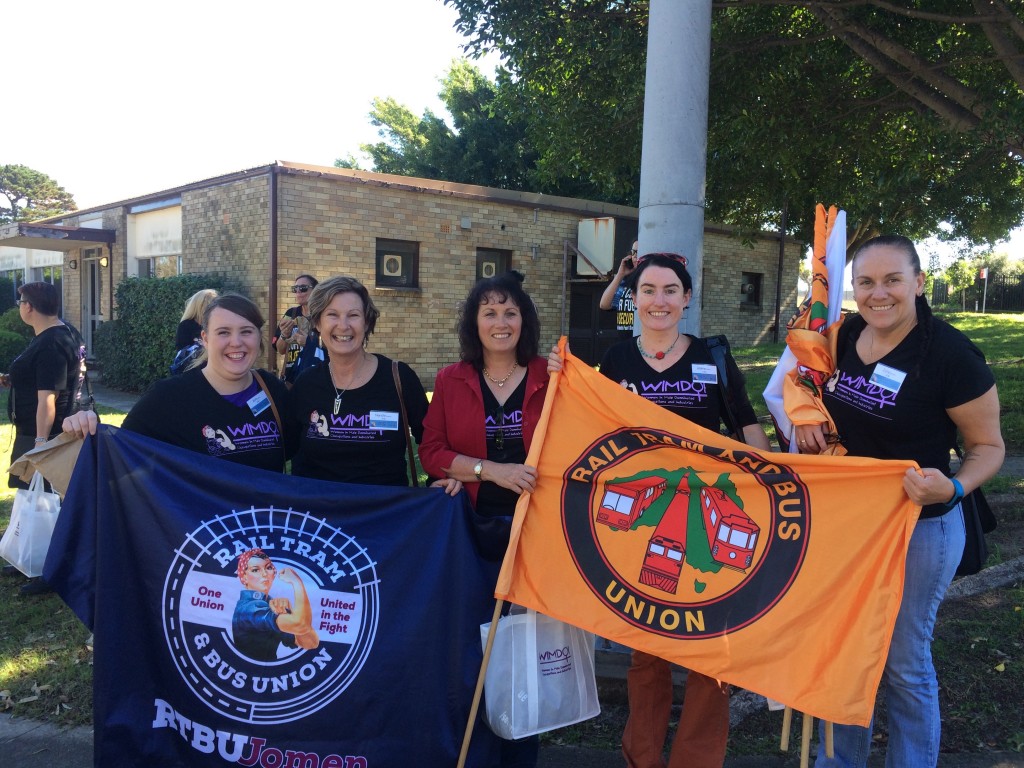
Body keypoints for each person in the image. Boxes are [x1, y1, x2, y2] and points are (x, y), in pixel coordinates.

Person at [793, 236, 1004, 768]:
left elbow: (988, 447)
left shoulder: (952, 355)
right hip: (849, 527)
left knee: (904, 662)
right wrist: (811, 422)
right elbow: (811, 391)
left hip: (920, 527)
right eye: (866, 282)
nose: (877, 293)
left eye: (892, 280)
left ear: (918, 283)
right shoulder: (846, 336)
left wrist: (953, 486)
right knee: (845, 652)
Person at [598, 252, 771, 768]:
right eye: (648, 290)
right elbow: (596, 432)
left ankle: (696, 760)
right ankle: (642, 758)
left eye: (670, 290)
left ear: (687, 298)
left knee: (710, 654)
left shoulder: (712, 357)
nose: (659, 300)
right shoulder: (616, 360)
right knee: (644, 649)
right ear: (635, 298)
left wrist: (778, 477)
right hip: (642, 521)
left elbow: (745, 424)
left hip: (708, 511)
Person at [419, 271, 548, 768]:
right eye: (489, 312)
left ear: (524, 320)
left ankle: (521, 755)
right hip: (469, 536)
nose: (500, 322)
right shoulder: (452, 378)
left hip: (536, 536)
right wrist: (486, 471)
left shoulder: (548, 375)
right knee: (474, 652)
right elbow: (432, 451)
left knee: (526, 660)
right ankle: (475, 753)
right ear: (474, 323)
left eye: (510, 311)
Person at [65, 293, 292, 474]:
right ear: (204, 338)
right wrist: (85, 427)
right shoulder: (170, 397)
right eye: (223, 332)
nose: (236, 342)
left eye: (246, 332)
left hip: (265, 528)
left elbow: (308, 454)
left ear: (258, 337)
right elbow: (119, 455)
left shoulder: (272, 390)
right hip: (197, 530)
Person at [289, 276, 458, 493]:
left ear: (367, 322)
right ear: (317, 323)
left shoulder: (398, 378)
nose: (344, 325)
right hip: (320, 519)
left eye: (354, 315)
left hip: (385, 517)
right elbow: (288, 449)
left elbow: (432, 441)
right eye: (332, 315)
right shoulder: (306, 384)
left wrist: (437, 480)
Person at [2, 282, 82, 595]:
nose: (20, 305)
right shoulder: (61, 333)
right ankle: (27, 555)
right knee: (32, 496)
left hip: (46, 434)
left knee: (48, 502)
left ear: (30, 307)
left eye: (21, 300)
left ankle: (48, 571)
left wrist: (40, 444)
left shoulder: (52, 341)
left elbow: (48, 399)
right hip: (44, 431)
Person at [232, 548, 319, 661]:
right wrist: (297, 583)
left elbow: (311, 643)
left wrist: (290, 613)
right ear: (244, 577)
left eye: (268, 568)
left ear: (273, 573)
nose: (264, 574)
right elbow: (301, 625)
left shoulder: (270, 604)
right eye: (255, 570)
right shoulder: (248, 608)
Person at [274, 274, 320, 386]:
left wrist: (308, 342)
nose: (298, 292)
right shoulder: (291, 314)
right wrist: (284, 335)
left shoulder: (322, 315)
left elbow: (330, 347)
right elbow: (280, 350)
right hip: (292, 377)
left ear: (315, 290)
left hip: (316, 376)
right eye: (295, 289)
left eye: (303, 288)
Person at [599, 240, 639, 334]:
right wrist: (620, 275)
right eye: (633, 252)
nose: (635, 256)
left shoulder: (651, 282)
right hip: (624, 343)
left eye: (639, 252)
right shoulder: (625, 282)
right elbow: (604, 305)